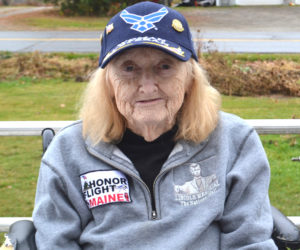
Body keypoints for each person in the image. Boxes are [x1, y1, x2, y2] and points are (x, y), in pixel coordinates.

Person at [32, 1, 277, 249]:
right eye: (129, 68)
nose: (147, 87)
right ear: (107, 84)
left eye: (165, 66)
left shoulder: (234, 140)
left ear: (191, 77)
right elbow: (56, 242)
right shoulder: (68, 151)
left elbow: (249, 241)